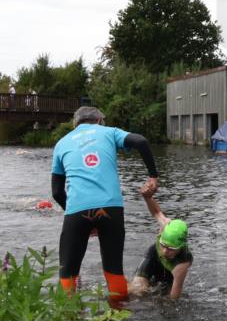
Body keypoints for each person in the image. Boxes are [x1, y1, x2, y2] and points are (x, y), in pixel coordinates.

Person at [51, 106, 159, 301]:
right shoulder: (109, 132)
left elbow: (57, 192)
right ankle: (117, 320)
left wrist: (82, 216)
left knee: (67, 271)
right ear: (100, 120)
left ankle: (68, 319)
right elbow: (141, 141)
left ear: (75, 124)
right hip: (111, 208)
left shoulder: (61, 143)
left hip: (77, 211)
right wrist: (152, 176)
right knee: (113, 269)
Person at [130, 187, 193, 299]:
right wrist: (147, 197)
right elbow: (156, 212)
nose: (164, 251)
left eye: (170, 248)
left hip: (170, 269)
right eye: (163, 245)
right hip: (153, 256)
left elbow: (175, 296)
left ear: (180, 247)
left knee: (163, 297)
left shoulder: (182, 264)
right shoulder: (165, 225)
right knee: (136, 292)